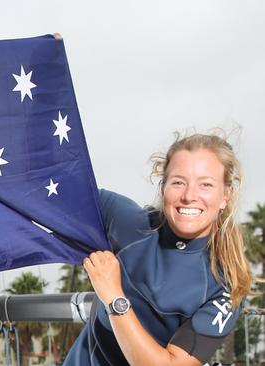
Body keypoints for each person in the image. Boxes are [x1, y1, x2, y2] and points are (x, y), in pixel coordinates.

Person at [64, 132, 254, 365]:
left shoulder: (226, 285)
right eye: (178, 182)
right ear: (163, 187)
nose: (189, 196)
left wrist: (114, 297)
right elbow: (54, 189)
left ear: (226, 195)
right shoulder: (127, 222)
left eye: (205, 184)